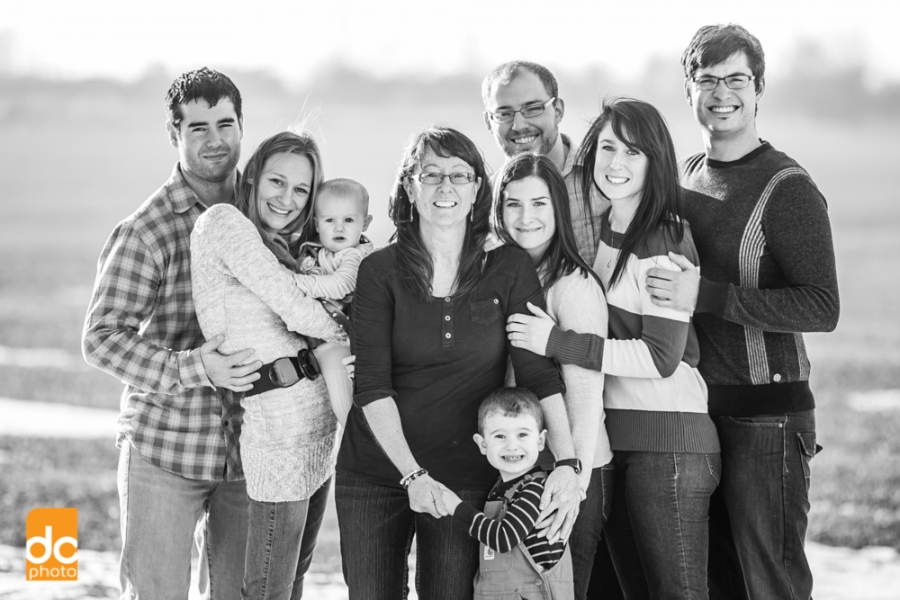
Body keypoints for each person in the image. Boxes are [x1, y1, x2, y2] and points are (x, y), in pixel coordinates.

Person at [335, 126, 581, 600]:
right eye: (430, 174)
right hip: (376, 471)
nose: (445, 186)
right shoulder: (380, 271)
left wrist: (568, 462)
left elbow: (537, 375)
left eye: (459, 175)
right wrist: (412, 474)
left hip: (465, 478)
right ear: (410, 188)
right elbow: (372, 385)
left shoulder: (508, 267)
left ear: (475, 189)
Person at [645, 24, 840, 600]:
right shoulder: (683, 178)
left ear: (758, 88)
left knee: (770, 584)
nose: (721, 93)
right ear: (688, 90)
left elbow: (821, 306)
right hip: (697, 413)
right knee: (718, 584)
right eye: (707, 79)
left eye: (736, 79)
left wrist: (705, 295)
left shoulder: (787, 187)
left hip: (766, 418)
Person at [508, 98, 721, 599]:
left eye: (633, 151)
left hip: (669, 443)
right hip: (620, 442)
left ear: (655, 161)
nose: (616, 163)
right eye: (607, 147)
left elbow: (661, 358)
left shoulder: (662, 238)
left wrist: (556, 342)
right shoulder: (609, 229)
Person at [82, 67, 259, 599]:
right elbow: (101, 337)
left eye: (225, 124)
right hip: (165, 447)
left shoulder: (265, 212)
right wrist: (196, 366)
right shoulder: (147, 228)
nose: (215, 139)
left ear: (242, 125)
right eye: (198, 127)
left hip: (252, 455)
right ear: (173, 133)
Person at [190, 131, 351, 600]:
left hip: (320, 432)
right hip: (277, 437)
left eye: (301, 190)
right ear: (253, 177)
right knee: (268, 589)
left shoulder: (288, 249)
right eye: (277, 182)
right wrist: (353, 334)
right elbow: (293, 307)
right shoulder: (223, 224)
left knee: (295, 581)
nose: (287, 198)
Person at [491, 152, 613, 599]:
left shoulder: (572, 287)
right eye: (514, 204)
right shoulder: (499, 274)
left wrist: (573, 484)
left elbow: (586, 395)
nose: (526, 218)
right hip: (517, 464)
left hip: (570, 471)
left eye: (539, 203)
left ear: (559, 208)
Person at [442, 388, 574, 600]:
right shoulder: (499, 487)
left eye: (522, 435)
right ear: (483, 444)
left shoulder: (536, 489)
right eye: (500, 436)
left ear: (540, 441)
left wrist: (455, 507)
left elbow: (504, 538)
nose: (512, 445)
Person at [482, 60, 610, 264]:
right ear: (489, 123)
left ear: (558, 110)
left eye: (532, 109)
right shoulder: (482, 202)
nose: (519, 125)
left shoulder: (606, 176)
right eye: (504, 114)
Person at [293, 177, 375, 425]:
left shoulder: (355, 255)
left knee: (345, 407)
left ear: (365, 223)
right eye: (330, 220)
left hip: (344, 342)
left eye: (349, 220)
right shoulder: (316, 252)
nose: (339, 228)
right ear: (317, 224)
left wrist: (293, 281)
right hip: (317, 340)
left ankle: (359, 436)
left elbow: (342, 285)